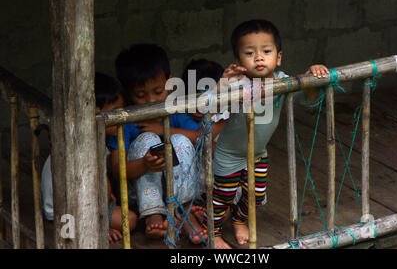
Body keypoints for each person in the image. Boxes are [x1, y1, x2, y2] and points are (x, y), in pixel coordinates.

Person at [202, 19, 329, 249]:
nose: (259, 57)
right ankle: (215, 233)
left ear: (278, 57)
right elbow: (207, 108)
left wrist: (313, 77)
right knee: (222, 198)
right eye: (250, 53)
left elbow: (310, 100)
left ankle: (240, 219)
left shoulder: (283, 82)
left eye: (266, 51)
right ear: (239, 60)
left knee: (256, 196)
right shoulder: (237, 84)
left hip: (258, 153)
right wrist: (221, 84)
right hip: (229, 155)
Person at [113, 44, 207, 244]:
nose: (151, 100)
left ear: (170, 82)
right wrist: (145, 165)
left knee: (180, 140)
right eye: (140, 95)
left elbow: (203, 140)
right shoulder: (126, 121)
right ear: (129, 94)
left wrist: (164, 131)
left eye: (158, 91)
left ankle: (186, 213)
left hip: (184, 191)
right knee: (146, 140)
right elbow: (115, 170)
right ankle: (153, 215)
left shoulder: (176, 111)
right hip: (140, 196)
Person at [40, 72, 138, 244]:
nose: (120, 116)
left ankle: (96, 222)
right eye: (115, 111)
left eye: (122, 109)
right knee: (125, 221)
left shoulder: (99, 141)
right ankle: (93, 227)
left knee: (129, 219)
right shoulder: (80, 148)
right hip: (66, 209)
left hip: (90, 203)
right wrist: (100, 226)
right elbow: (74, 193)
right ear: (93, 112)